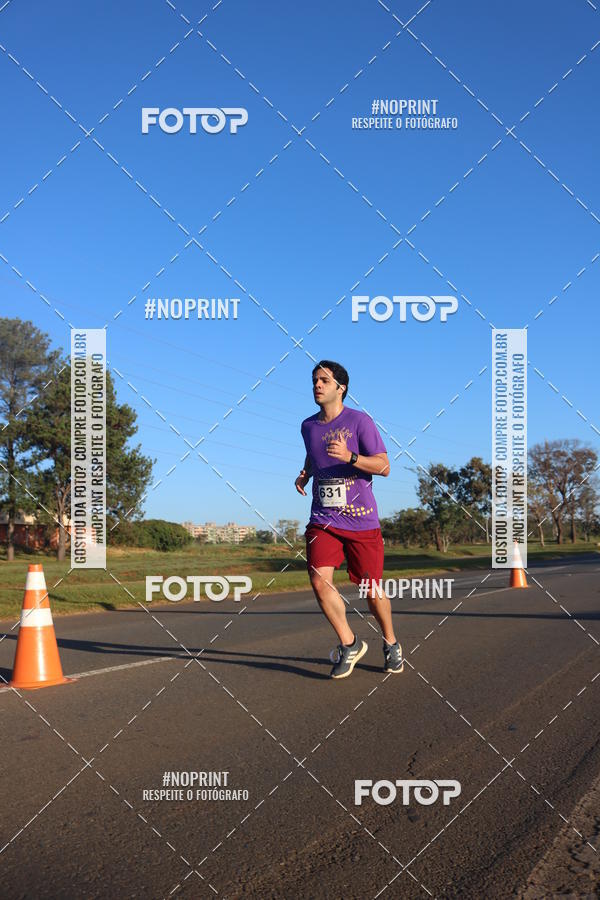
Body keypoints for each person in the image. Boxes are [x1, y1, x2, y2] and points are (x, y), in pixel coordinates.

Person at [295, 360, 403, 679]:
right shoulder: (307, 426)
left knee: (371, 589)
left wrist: (351, 458)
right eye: (315, 380)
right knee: (318, 579)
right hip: (323, 518)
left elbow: (384, 467)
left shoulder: (360, 421)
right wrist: (305, 473)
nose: (317, 385)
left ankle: (391, 642)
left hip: (361, 521)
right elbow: (314, 455)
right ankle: (350, 642)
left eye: (324, 380)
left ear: (340, 388)